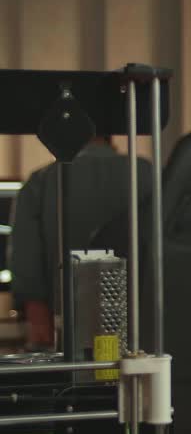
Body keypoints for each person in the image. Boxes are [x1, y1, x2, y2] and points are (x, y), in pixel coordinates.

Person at [8, 134, 152, 350]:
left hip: (69, 327)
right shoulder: (148, 173)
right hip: (143, 324)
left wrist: (40, 328)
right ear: (111, 138)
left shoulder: (43, 179)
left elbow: (26, 261)